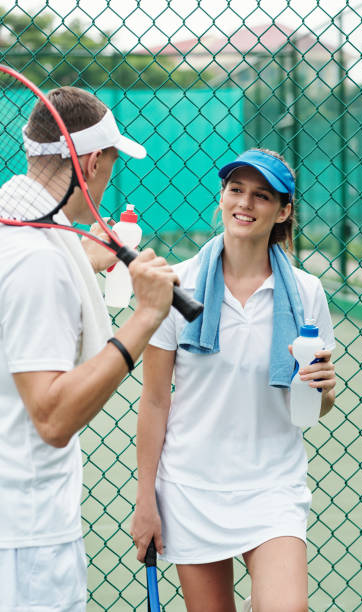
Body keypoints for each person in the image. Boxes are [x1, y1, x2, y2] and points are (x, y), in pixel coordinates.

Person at [130, 148, 336, 612]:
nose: (245, 203)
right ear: (221, 198)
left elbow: (316, 406)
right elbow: (156, 401)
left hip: (272, 486)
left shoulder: (307, 293)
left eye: (261, 195)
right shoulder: (175, 286)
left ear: (283, 210)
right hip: (191, 487)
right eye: (236, 190)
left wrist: (325, 390)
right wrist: (147, 500)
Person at [0, 86, 179, 611]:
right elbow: (52, 418)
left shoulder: (18, 228)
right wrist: (145, 316)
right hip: (25, 541)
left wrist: (82, 260)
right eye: (110, 165)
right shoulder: (38, 260)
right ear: (93, 161)